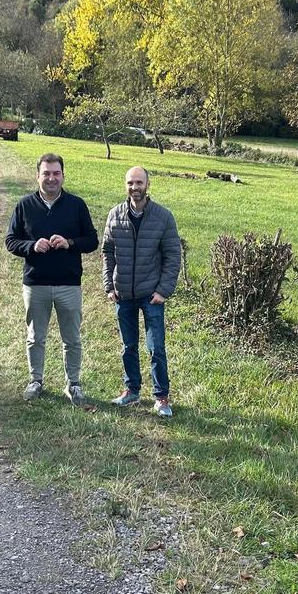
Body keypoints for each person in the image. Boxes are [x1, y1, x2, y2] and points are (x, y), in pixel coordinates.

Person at [5, 153, 99, 404]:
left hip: (69, 284)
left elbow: (92, 241)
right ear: (37, 176)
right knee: (36, 337)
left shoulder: (76, 205)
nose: (51, 178)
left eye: (56, 173)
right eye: (46, 173)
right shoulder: (24, 205)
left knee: (72, 338)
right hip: (36, 284)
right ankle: (35, 381)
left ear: (63, 176)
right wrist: (32, 246)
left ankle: (73, 384)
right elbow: (11, 241)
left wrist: (69, 243)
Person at [102, 166, 181, 417]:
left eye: (139, 182)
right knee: (128, 346)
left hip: (151, 294)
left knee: (156, 347)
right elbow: (107, 252)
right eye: (130, 183)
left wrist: (163, 290)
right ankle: (132, 390)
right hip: (123, 293)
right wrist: (109, 285)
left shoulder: (163, 217)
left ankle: (161, 397)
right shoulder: (115, 215)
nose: (134, 187)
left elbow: (172, 256)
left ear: (148, 184)